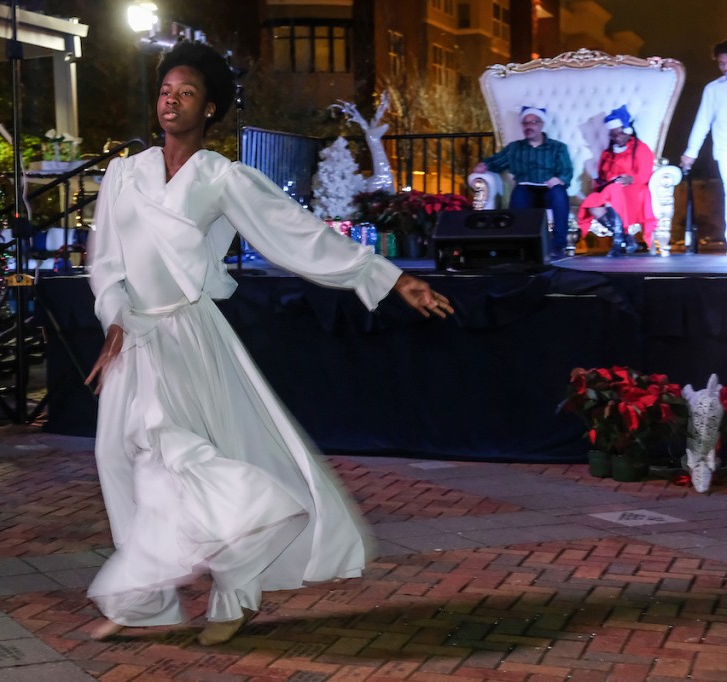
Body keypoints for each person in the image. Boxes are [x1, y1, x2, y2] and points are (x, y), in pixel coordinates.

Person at [83, 41, 452, 646]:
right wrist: (116, 316)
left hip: (188, 334)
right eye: (166, 91)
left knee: (173, 452)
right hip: (132, 339)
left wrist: (389, 276)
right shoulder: (125, 174)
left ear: (209, 110)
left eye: (188, 93)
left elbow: (297, 234)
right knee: (120, 462)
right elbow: (105, 264)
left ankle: (252, 537)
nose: (172, 101)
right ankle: (148, 600)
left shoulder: (220, 177)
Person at [474, 106, 573, 258]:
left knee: (560, 193)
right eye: (525, 123)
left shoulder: (557, 147)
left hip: (549, 189)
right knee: (519, 193)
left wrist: (559, 180)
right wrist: (484, 165)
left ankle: (558, 246)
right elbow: (496, 161)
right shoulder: (515, 148)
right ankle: (519, 244)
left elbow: (567, 171)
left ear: (541, 124)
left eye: (533, 122)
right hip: (527, 189)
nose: (529, 127)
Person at [578, 105, 657, 257]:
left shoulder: (640, 148)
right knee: (592, 204)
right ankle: (625, 237)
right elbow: (602, 176)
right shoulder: (608, 153)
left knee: (612, 192)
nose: (616, 138)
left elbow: (645, 174)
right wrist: (599, 180)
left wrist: (630, 178)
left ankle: (618, 241)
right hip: (612, 190)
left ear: (627, 131)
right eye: (613, 135)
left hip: (634, 189)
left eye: (619, 133)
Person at [681, 40, 727, 241]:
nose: (725, 67)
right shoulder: (714, 89)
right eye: (721, 63)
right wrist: (691, 153)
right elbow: (702, 122)